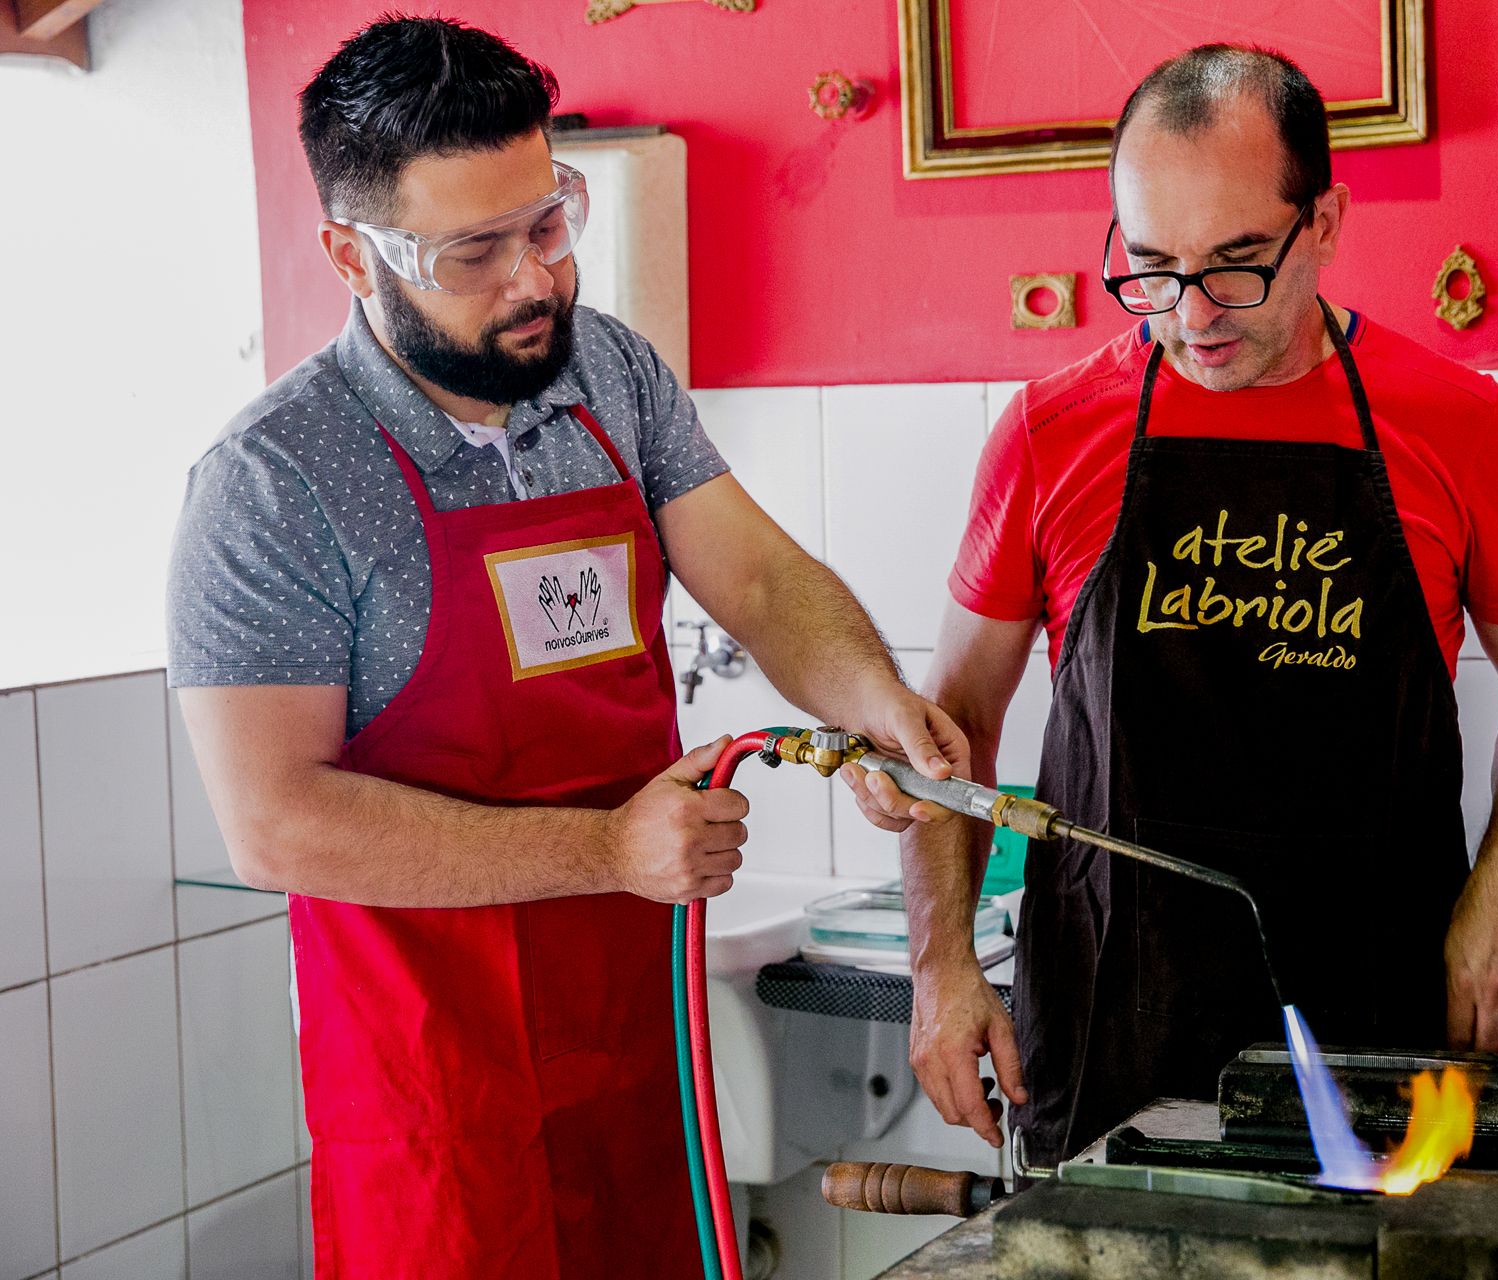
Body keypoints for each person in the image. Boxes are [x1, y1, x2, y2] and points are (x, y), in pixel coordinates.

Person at [167, 17, 963, 1279]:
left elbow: (758, 578)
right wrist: (607, 849)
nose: (534, 280)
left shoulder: (610, 377)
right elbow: (274, 823)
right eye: (473, 250)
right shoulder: (273, 481)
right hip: (436, 1103)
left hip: (640, 1051)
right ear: (351, 254)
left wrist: (872, 699)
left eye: (548, 222)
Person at [849, 45, 1498, 1168]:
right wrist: (939, 963)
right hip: (1114, 1022)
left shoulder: (1457, 423)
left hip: (1378, 1015)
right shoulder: (1051, 433)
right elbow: (952, 722)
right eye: (1153, 267)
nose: (1192, 314)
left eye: (1238, 265)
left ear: (1326, 223)